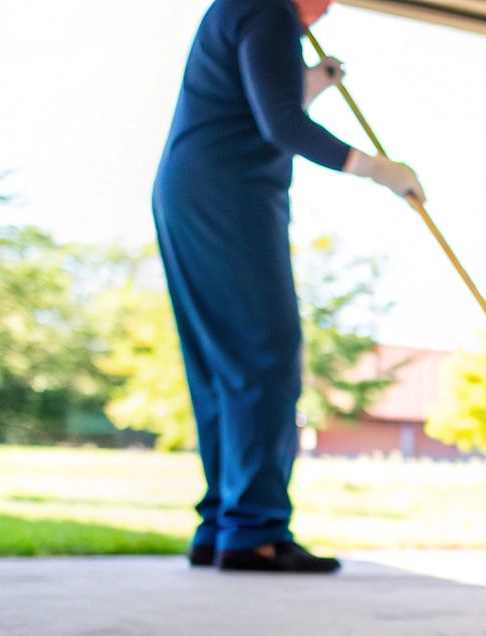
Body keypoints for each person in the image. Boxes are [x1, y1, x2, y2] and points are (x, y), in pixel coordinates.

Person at [153, 0, 421, 573]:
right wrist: (380, 169)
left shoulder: (241, 7)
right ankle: (255, 532)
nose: (326, 12)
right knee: (265, 354)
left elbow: (254, 106)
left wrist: (311, 84)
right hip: (231, 195)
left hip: (189, 186)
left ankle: (222, 524)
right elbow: (282, 126)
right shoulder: (270, 10)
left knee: (221, 364)